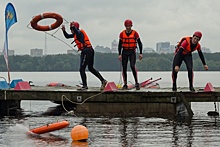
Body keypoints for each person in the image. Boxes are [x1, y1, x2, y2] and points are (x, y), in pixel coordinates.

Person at [61, 21, 107, 90]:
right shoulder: (75, 34)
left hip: (87, 51)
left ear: (75, 28)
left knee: (82, 69)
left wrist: (73, 27)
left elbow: (78, 33)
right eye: (71, 29)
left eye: (72, 29)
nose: (71, 31)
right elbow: (67, 36)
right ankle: (103, 81)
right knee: (90, 68)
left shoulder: (80, 32)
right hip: (89, 51)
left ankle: (85, 86)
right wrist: (64, 31)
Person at [118, 19, 143, 90]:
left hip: (132, 51)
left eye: (129, 26)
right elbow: (120, 45)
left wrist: (141, 53)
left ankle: (136, 82)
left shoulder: (135, 33)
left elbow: (140, 43)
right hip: (125, 51)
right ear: (125, 26)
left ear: (131, 26)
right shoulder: (122, 34)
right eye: (127, 26)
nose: (128, 27)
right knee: (124, 67)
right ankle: (125, 84)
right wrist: (119, 54)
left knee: (132, 66)